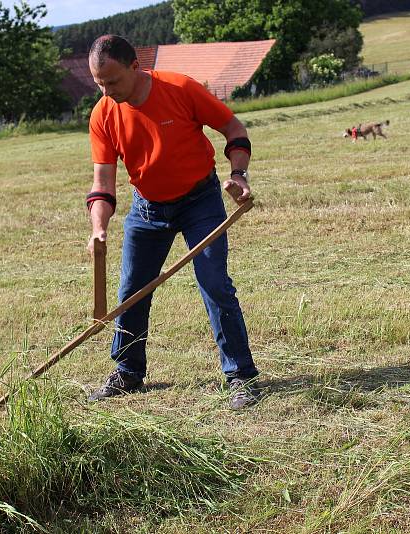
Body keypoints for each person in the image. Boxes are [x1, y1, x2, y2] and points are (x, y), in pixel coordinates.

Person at [84, 35, 260, 410]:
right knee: (131, 291)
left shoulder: (179, 88)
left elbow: (233, 128)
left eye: (112, 81)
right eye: (98, 83)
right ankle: (128, 371)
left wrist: (239, 174)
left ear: (135, 66)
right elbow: (102, 184)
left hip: (200, 201)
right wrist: (98, 228)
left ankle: (240, 377)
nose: (105, 90)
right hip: (147, 209)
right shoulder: (103, 114)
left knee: (214, 283)